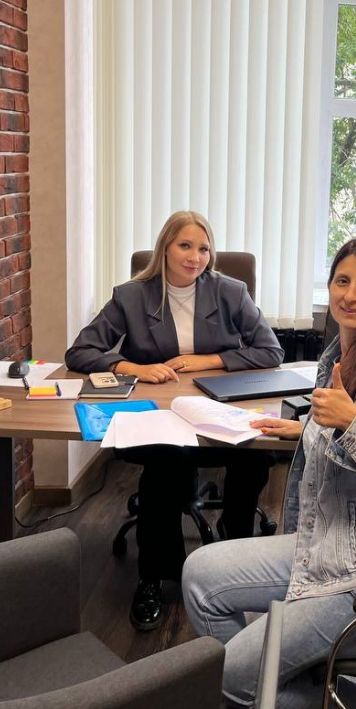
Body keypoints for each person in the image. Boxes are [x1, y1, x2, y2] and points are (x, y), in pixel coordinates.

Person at [182, 235, 356, 709]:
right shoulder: (344, 354)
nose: (351, 295)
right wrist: (308, 429)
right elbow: (351, 428)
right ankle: (273, 683)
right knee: (199, 575)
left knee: (225, 677)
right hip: (335, 545)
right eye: (342, 281)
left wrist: (351, 424)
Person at [66, 211, 283, 630]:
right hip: (159, 416)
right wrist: (132, 367)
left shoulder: (230, 292)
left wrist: (209, 360)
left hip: (216, 411)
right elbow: (80, 352)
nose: (195, 257)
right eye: (185, 246)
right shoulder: (131, 297)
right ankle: (155, 577)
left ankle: (234, 555)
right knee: (165, 467)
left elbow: (271, 351)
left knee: (254, 457)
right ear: (165, 247)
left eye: (203, 249)